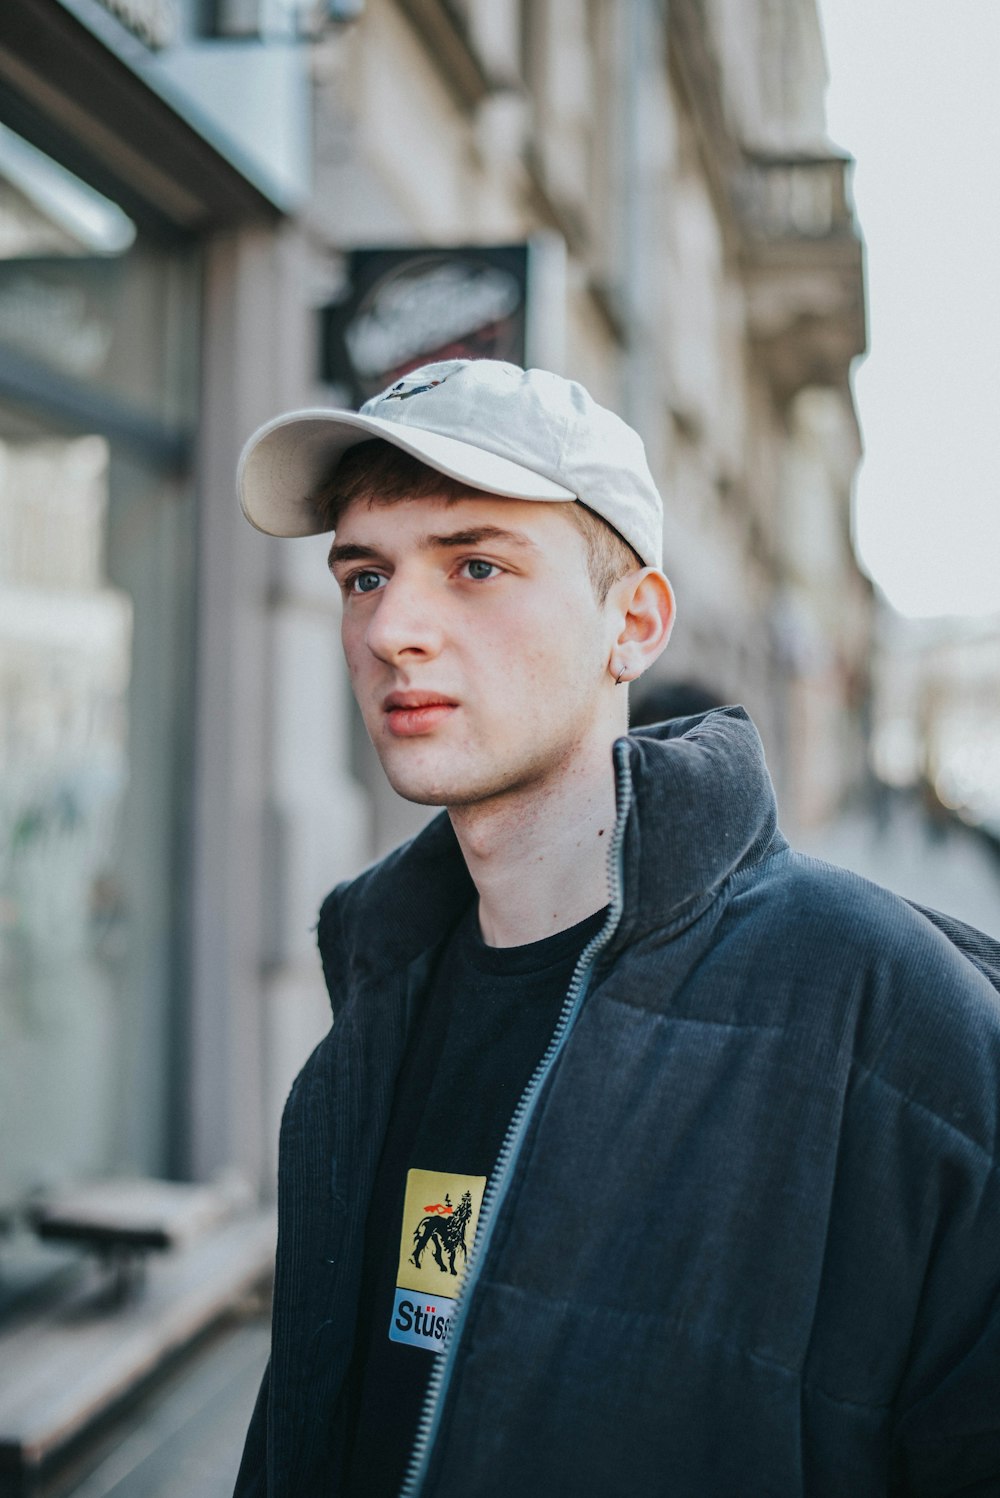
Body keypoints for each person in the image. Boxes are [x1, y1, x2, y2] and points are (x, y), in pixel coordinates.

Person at [234, 359, 1000, 1498]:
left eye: (476, 565)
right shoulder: (378, 989)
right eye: (362, 576)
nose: (394, 626)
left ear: (632, 622)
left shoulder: (895, 1017)